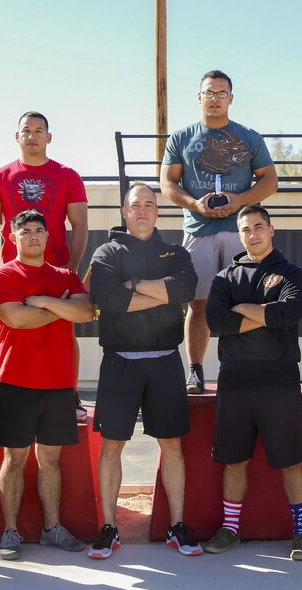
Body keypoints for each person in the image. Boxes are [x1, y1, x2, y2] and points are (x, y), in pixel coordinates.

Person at [87, 183, 201, 560]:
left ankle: (178, 525)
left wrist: (134, 286)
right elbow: (108, 299)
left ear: (157, 211)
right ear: (124, 211)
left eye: (149, 204)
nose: (142, 210)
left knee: (171, 445)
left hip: (166, 359)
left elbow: (184, 289)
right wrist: (161, 295)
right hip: (120, 361)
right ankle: (108, 528)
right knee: (112, 446)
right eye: (135, 205)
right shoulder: (106, 252)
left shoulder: (175, 252)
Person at [203, 205, 302, 561]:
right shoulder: (224, 278)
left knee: (290, 461)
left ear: (271, 229)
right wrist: (266, 314)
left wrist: (241, 311)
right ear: (239, 234)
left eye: (258, 227)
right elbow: (216, 323)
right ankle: (230, 529)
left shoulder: (293, 273)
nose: (253, 234)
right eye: (246, 229)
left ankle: (301, 533)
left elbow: (289, 314)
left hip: (279, 379)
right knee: (234, 461)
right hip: (235, 380)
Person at [161, 70, 278, 394]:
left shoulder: (248, 136)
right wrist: (195, 204)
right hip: (198, 231)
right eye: (209, 93)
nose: (214, 98)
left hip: (239, 232)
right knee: (198, 304)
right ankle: (195, 371)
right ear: (199, 97)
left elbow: (270, 180)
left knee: (244, 303)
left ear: (231, 97)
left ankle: (243, 368)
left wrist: (240, 199)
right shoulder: (181, 138)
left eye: (221, 93)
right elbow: (167, 183)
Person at [0, 210, 94, 560]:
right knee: (14, 459)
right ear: (12, 238)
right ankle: (10, 531)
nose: (33, 236)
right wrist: (63, 307)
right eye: (25, 231)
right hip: (15, 381)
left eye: (39, 231)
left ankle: (52, 528)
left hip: (58, 384)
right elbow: (15, 318)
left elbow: (86, 313)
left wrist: (48, 303)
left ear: (48, 237)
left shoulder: (65, 275)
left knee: (50, 460)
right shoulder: (2, 276)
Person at [0, 111, 90, 422]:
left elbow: (80, 224)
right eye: (26, 130)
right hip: (15, 272)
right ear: (17, 137)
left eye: (39, 130)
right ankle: (11, 393)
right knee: (16, 333)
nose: (32, 136)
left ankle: (70, 394)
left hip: (54, 268)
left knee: (64, 333)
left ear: (48, 137)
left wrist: (70, 269)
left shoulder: (67, 175)